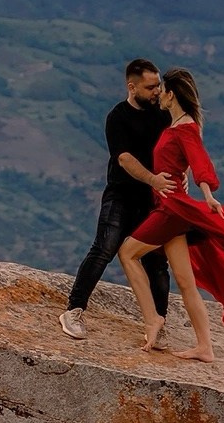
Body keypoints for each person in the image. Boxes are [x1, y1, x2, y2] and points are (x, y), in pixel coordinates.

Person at [117, 67, 224, 361]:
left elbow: (200, 161)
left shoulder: (184, 128)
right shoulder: (175, 125)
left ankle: (152, 319)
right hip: (169, 207)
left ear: (171, 95)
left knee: (127, 253)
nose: (158, 93)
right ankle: (205, 347)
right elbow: (180, 162)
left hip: (172, 208)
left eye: (162, 90)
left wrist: (208, 195)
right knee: (185, 282)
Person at [59, 59, 173, 341]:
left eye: (157, 85)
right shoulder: (118, 117)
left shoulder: (162, 115)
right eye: (150, 87)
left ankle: (159, 324)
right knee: (104, 250)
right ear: (131, 87)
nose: (156, 91)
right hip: (122, 195)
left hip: (153, 200)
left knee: (157, 263)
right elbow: (124, 158)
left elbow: (177, 146)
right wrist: (153, 179)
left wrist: (179, 176)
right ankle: (73, 310)